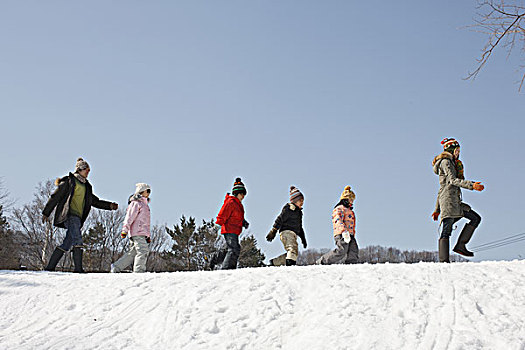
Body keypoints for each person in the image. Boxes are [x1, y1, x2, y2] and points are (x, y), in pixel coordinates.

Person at [42, 158, 118, 272]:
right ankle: (78, 269)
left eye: (89, 170)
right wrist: (46, 212)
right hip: (69, 214)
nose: (88, 172)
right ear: (80, 169)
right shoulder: (69, 181)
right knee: (78, 240)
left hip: (78, 217)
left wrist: (109, 206)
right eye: (86, 170)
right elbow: (55, 197)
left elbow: (94, 201)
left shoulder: (87, 186)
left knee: (67, 243)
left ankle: (50, 267)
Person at [432, 138, 485, 262]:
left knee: (475, 218)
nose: (458, 153)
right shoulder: (446, 162)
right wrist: (472, 185)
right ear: (452, 150)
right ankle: (444, 261)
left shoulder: (452, 162)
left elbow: (442, 189)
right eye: (457, 150)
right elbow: (452, 181)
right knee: (446, 231)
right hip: (449, 203)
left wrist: (436, 210)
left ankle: (461, 245)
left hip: (455, 202)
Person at [111, 183, 152, 273]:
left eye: (150, 191)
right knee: (143, 250)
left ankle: (116, 267)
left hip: (141, 232)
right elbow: (129, 217)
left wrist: (147, 236)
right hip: (137, 232)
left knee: (132, 253)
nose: (149, 193)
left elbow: (146, 223)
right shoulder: (136, 203)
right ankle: (139, 271)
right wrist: (124, 230)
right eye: (147, 191)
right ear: (141, 192)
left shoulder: (145, 205)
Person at [317, 186, 358, 265]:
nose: (352, 202)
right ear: (345, 199)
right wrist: (343, 231)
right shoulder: (339, 209)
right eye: (351, 199)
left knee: (353, 250)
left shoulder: (350, 211)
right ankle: (322, 261)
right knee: (342, 250)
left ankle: (351, 264)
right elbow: (338, 220)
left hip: (350, 234)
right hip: (342, 234)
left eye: (353, 200)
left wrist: (352, 233)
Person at [266, 186, 307, 266]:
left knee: (293, 252)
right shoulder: (288, 208)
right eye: (300, 201)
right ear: (294, 201)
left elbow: (300, 227)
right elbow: (280, 219)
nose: (302, 202)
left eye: (303, 201)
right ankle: (290, 266)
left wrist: (303, 238)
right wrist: (273, 230)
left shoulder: (299, 213)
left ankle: (275, 262)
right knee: (292, 249)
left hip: (293, 234)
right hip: (286, 232)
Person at [215, 178, 249, 270]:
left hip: (234, 230)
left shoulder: (238, 204)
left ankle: (222, 263)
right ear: (237, 193)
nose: (243, 196)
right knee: (234, 249)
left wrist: (243, 222)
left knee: (233, 249)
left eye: (244, 194)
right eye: (242, 194)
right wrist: (218, 224)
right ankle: (226, 268)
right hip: (229, 229)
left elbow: (237, 217)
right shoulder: (230, 202)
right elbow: (223, 213)